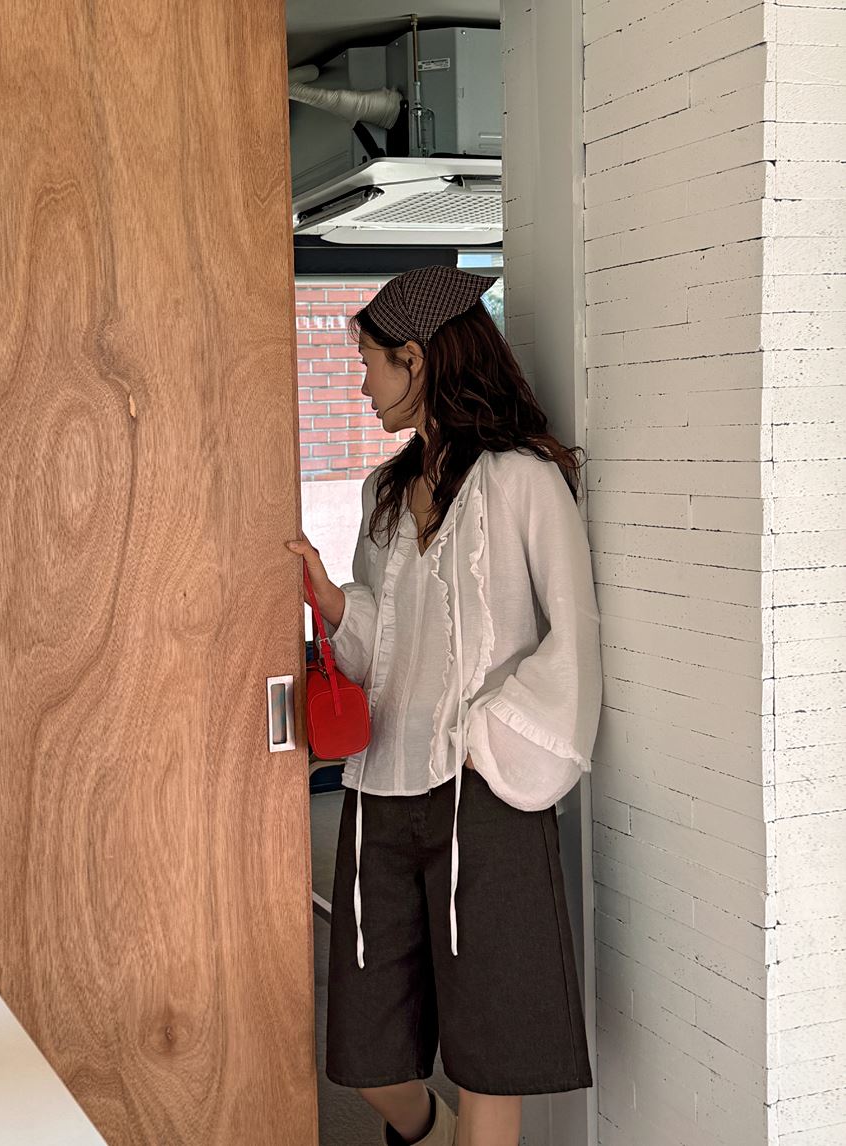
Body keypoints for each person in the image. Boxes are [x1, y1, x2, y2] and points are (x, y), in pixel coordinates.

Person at [285, 265, 603, 1146]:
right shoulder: (383, 493)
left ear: (416, 359)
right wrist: (335, 601)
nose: (362, 383)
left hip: (486, 797)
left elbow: (574, 637)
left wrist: (487, 737)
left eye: (369, 362)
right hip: (381, 794)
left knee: (491, 1054)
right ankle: (430, 1134)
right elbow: (381, 654)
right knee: (370, 1058)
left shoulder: (525, 481)